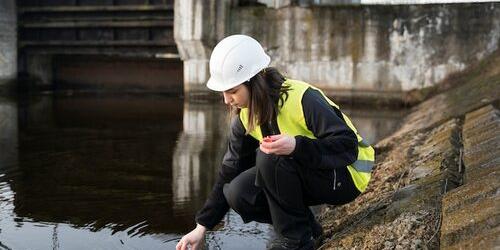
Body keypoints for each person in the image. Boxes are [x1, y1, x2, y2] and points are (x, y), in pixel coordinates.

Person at [176, 35, 375, 250]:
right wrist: (202, 226)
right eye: (223, 92)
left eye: (232, 91)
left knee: (269, 156)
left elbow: (347, 146)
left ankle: (295, 242)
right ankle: (307, 230)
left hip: (347, 175)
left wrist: (297, 146)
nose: (226, 100)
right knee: (238, 192)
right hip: (314, 172)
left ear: (255, 81)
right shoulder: (245, 117)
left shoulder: (302, 99)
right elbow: (229, 171)